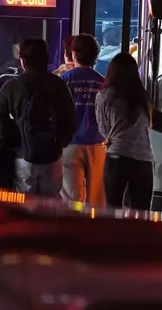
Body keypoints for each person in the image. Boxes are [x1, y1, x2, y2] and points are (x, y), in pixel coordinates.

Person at [0, 38, 77, 196]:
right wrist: (59, 143)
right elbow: (71, 121)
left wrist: (16, 137)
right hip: (53, 157)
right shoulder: (59, 85)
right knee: (50, 209)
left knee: (25, 209)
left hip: (23, 158)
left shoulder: (12, 86)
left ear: (23, 61)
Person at [95, 53, 154, 209]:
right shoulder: (143, 97)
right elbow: (149, 127)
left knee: (111, 209)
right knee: (141, 212)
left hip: (117, 157)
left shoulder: (104, 95)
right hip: (144, 159)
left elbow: (103, 128)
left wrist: (110, 137)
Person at [59, 34, 106, 207]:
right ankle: (94, 230)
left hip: (70, 144)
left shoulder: (64, 80)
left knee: (71, 197)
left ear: (73, 53)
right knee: (97, 197)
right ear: (95, 55)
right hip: (98, 145)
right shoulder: (103, 82)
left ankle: (74, 228)